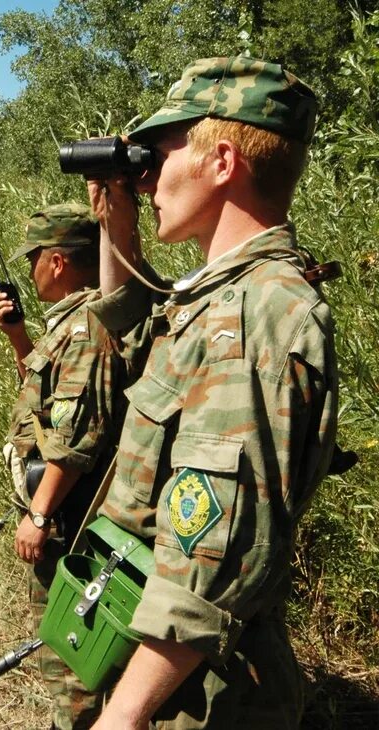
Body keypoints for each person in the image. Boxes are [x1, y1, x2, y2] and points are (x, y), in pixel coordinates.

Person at [85, 56, 338, 729]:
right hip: (172, 669)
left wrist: (126, 713)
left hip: (201, 693)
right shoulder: (217, 298)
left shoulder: (255, 315)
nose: (149, 177)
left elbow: (215, 551)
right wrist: (118, 219)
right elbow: (123, 318)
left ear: (221, 161)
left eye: (161, 152)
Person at [0, 203, 123, 730]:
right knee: (63, 646)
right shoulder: (68, 322)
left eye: (34, 259)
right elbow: (49, 405)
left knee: (72, 650)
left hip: (70, 522)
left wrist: (40, 514)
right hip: (63, 514)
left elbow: (77, 436)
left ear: (59, 261)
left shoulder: (87, 326)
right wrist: (18, 336)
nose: (30, 271)